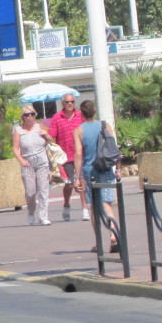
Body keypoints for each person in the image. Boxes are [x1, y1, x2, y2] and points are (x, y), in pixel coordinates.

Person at [71, 101, 120, 252]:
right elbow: (114, 148)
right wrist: (118, 168)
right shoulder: (105, 126)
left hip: (90, 171)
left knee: (94, 208)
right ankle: (113, 235)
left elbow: (79, 154)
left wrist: (77, 176)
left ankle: (99, 242)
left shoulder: (79, 130)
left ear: (82, 113)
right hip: (105, 167)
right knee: (107, 204)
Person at [13, 106, 57, 225]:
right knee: (30, 192)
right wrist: (22, 160)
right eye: (27, 115)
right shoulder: (18, 130)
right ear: (23, 117)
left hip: (42, 160)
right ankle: (31, 211)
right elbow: (15, 149)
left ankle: (43, 216)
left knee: (43, 190)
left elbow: (51, 141)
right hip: (27, 162)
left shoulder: (40, 126)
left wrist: (46, 135)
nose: (30, 116)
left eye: (32, 114)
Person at [47, 94, 86, 221]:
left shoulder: (81, 115)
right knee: (69, 184)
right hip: (66, 156)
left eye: (72, 102)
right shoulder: (57, 118)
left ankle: (85, 209)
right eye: (67, 102)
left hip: (81, 154)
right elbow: (51, 136)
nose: (70, 104)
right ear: (62, 103)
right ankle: (66, 204)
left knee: (82, 182)